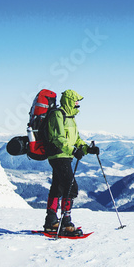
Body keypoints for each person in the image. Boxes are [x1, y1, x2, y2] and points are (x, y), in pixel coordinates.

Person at [43, 89, 99, 235]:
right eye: (76, 100)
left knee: (57, 187)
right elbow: (58, 138)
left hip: (65, 155)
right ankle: (65, 222)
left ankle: (51, 220)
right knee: (70, 187)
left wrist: (87, 149)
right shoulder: (57, 114)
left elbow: (76, 139)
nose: (78, 103)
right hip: (58, 155)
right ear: (68, 100)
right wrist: (73, 151)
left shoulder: (70, 117)